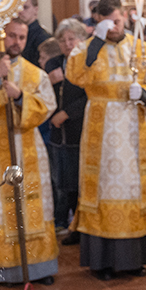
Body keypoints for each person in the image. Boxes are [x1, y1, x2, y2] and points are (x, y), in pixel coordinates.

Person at [65, 0, 146, 280]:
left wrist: (145, 93)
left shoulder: (141, 49)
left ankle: (134, 260)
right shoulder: (87, 49)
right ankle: (101, 262)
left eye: (118, 22)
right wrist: (95, 42)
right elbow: (75, 74)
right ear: (97, 21)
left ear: (125, 17)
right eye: (106, 23)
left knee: (132, 188)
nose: (113, 28)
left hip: (132, 130)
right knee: (103, 189)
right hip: (100, 129)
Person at [0, 20, 59, 286]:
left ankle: (39, 268)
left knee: (31, 204)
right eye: (13, 35)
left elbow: (47, 106)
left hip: (27, 142)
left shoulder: (35, 73)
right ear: (1, 36)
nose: (17, 41)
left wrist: (19, 97)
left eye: (22, 37)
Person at [45, 19, 89, 241]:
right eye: (62, 40)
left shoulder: (87, 63)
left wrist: (67, 113)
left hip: (78, 130)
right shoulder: (53, 63)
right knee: (60, 180)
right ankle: (64, 221)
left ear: (81, 40)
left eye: (72, 39)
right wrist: (51, 81)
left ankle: (79, 226)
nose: (67, 43)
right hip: (56, 133)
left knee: (77, 181)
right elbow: (43, 91)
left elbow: (89, 96)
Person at [18, 0, 52, 67]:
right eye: (18, 7)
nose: (20, 11)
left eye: (25, 7)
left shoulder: (43, 37)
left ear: (36, 10)